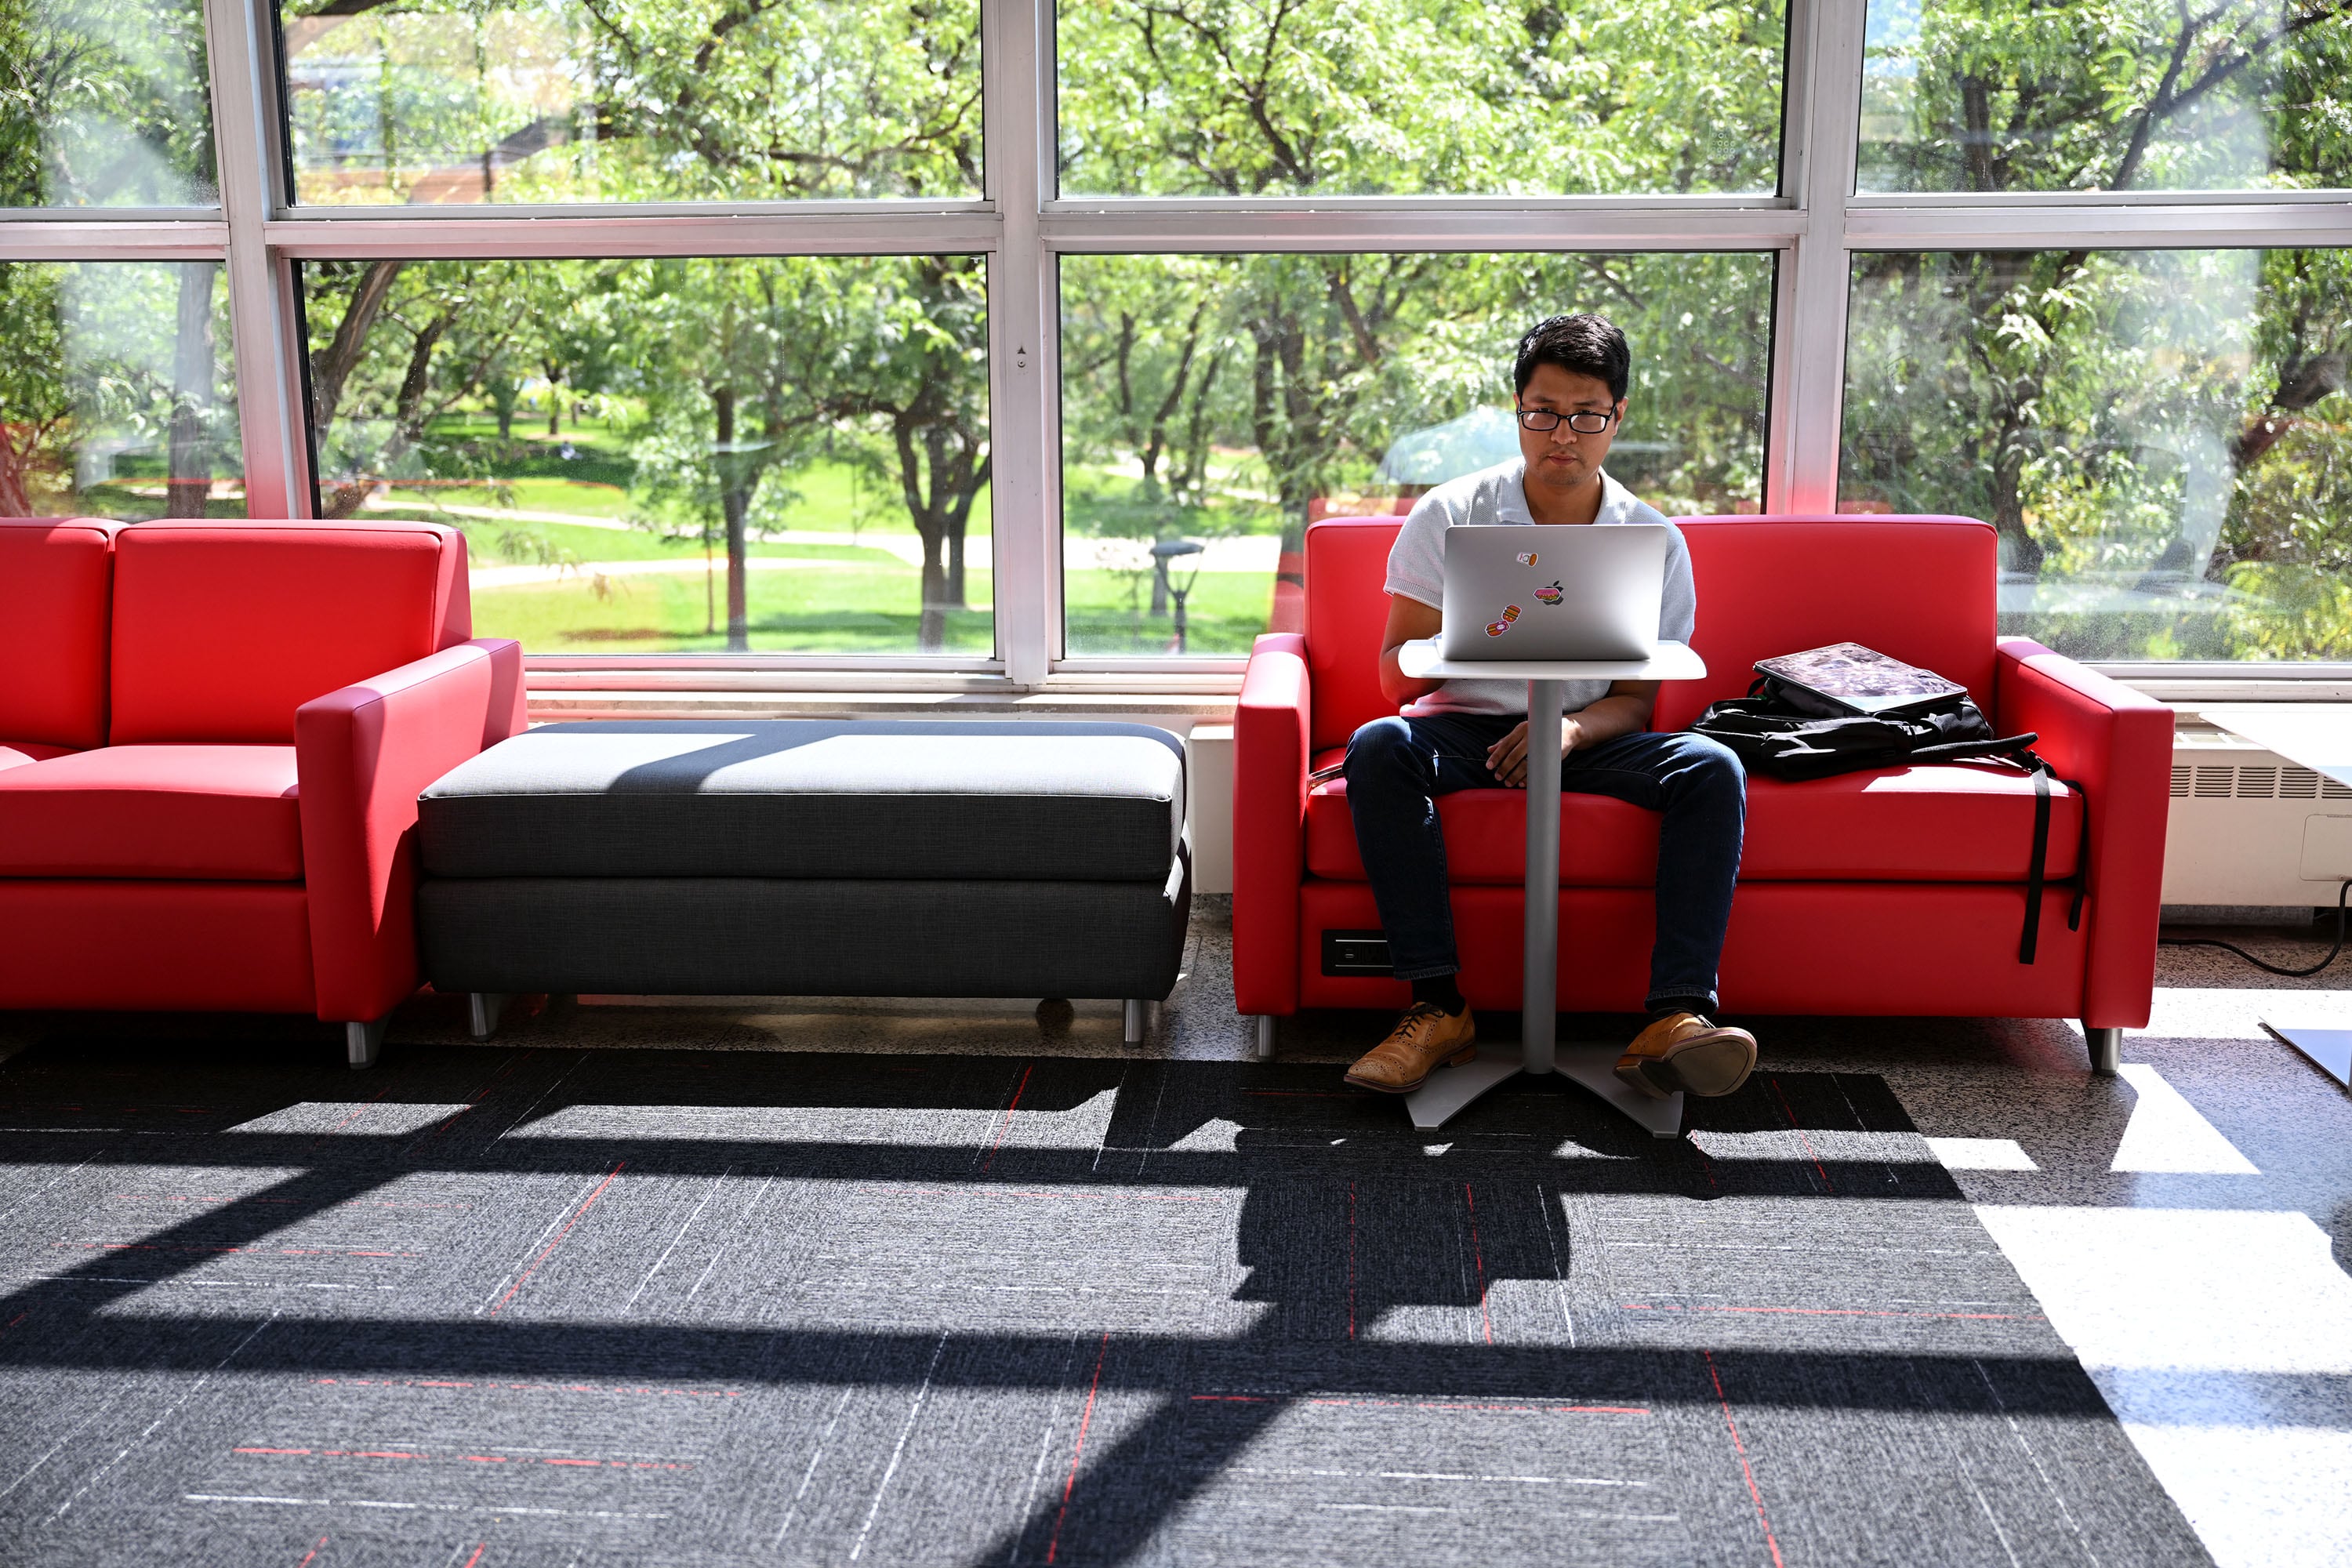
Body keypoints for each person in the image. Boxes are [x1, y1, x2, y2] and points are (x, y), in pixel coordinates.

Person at [1340, 313, 1757, 1102]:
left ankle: (1675, 1020)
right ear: (1516, 408)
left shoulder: (1653, 537)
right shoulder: (1450, 513)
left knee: (1713, 765)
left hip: (1587, 735)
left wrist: (1567, 727)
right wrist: (1467, 638)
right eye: (1542, 412)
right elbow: (1395, 678)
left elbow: (1636, 701)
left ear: (1618, 417)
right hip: (1468, 729)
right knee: (1377, 745)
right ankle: (1439, 1006)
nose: (1562, 435)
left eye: (1586, 415)